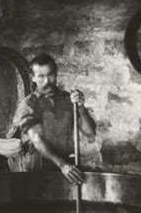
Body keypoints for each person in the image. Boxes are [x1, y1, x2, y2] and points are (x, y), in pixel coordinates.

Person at [9, 54, 96, 184]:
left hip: (68, 164)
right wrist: (62, 165)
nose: (47, 81)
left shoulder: (68, 99)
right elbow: (37, 139)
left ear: (56, 74)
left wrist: (81, 108)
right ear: (33, 78)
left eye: (50, 75)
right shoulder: (29, 104)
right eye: (41, 76)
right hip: (39, 167)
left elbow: (90, 133)